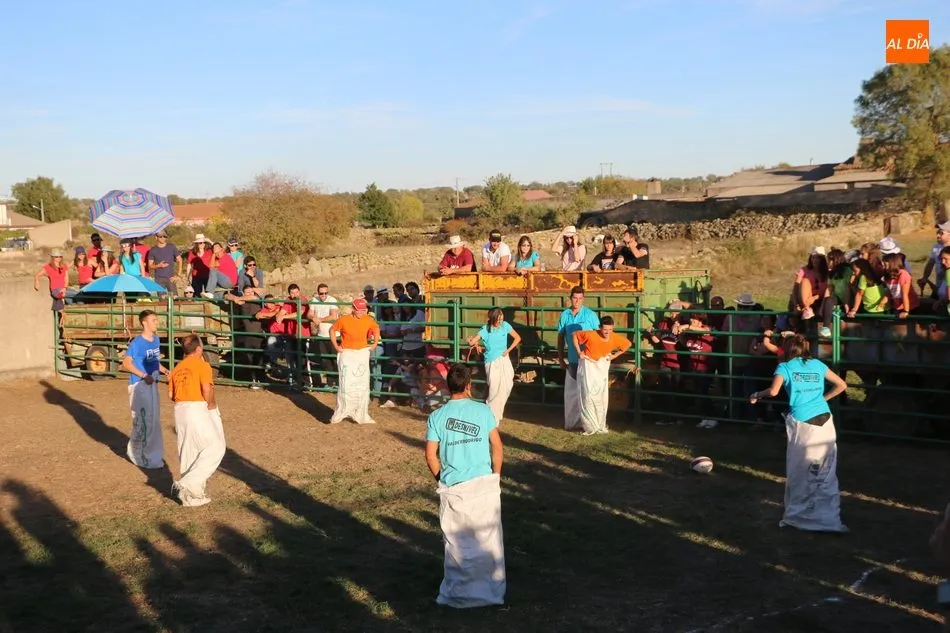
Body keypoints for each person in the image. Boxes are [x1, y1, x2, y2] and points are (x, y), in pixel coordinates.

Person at [749, 334, 848, 533]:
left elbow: (774, 391)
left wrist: (757, 395)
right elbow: (842, 385)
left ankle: (800, 516)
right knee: (826, 470)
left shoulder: (785, 368)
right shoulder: (817, 365)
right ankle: (828, 518)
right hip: (825, 420)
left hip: (803, 423)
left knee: (801, 470)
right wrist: (822, 399)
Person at [425, 363, 505, 608]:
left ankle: (458, 593)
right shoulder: (483, 411)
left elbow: (430, 455)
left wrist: (441, 478)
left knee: (457, 543)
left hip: (454, 487)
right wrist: (495, 476)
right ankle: (490, 591)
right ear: (469, 385)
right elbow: (497, 446)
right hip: (483, 484)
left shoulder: (437, 416)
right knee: (488, 540)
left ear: (448, 386)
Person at [167, 334, 226, 507]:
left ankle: (192, 497)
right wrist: (212, 405)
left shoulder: (177, 368)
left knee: (188, 451)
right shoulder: (202, 365)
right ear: (199, 348)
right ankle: (186, 483)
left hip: (180, 409)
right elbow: (206, 388)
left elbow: (171, 395)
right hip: (197, 407)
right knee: (216, 447)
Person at [121, 310, 169, 469]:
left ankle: (151, 455)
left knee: (153, 420)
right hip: (140, 385)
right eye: (153, 320)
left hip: (152, 383)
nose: (157, 323)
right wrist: (143, 375)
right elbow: (126, 363)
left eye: (156, 320)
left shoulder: (156, 340)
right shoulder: (137, 343)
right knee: (143, 420)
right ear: (144, 322)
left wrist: (164, 370)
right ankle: (137, 454)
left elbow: (154, 361)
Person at [572, 315, 633, 435]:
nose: (607, 332)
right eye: (605, 329)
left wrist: (614, 356)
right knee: (588, 395)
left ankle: (600, 423)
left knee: (601, 395)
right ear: (600, 328)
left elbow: (627, 344)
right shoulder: (591, 334)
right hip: (588, 365)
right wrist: (579, 352)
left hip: (601, 367)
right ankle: (590, 425)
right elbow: (574, 335)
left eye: (610, 329)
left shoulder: (614, 337)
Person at [328, 298, 381, 424]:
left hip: (362, 353)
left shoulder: (368, 319)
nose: (361, 312)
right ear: (353, 309)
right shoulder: (344, 320)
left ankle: (361, 413)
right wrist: (336, 346)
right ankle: (342, 412)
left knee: (362, 384)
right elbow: (332, 330)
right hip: (347, 353)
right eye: (359, 310)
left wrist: (374, 343)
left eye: (364, 310)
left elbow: (376, 328)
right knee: (345, 384)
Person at [466, 307, 522, 425]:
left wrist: (508, 350)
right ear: (492, 318)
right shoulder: (485, 329)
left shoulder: (505, 326)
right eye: (498, 318)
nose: (500, 320)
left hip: (504, 359)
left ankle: (496, 413)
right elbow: (472, 341)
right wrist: (471, 341)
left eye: (501, 318)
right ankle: (491, 416)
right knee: (494, 389)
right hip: (491, 362)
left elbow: (517, 338)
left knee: (507, 385)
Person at [557, 286, 600, 430]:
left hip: (588, 360)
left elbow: (598, 336)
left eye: (580, 298)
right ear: (571, 298)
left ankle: (590, 423)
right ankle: (574, 422)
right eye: (575, 298)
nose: (577, 301)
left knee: (588, 392)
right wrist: (561, 358)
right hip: (573, 359)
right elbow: (560, 338)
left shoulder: (590, 315)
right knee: (574, 392)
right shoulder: (565, 315)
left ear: (583, 299)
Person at [308, 283, 340, 386]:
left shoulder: (332, 300)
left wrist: (320, 319)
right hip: (322, 335)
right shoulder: (314, 300)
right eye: (321, 293)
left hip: (334, 335)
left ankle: (338, 383)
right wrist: (313, 318)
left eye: (326, 293)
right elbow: (309, 314)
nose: (324, 295)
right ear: (318, 293)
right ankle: (330, 383)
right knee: (325, 360)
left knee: (335, 360)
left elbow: (333, 316)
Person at [919, 222, 950, 300]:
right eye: (937, 232)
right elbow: (931, 263)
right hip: (939, 284)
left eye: (941, 233)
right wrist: (925, 277)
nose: (938, 235)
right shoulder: (936, 247)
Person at [148, 231, 183, 295]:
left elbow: (180, 260)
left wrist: (178, 275)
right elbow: (150, 266)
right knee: (162, 299)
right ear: (156, 237)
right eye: (160, 236)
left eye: (164, 236)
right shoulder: (153, 250)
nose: (163, 238)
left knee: (175, 298)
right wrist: (158, 265)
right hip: (159, 279)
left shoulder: (171, 247)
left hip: (171, 278)